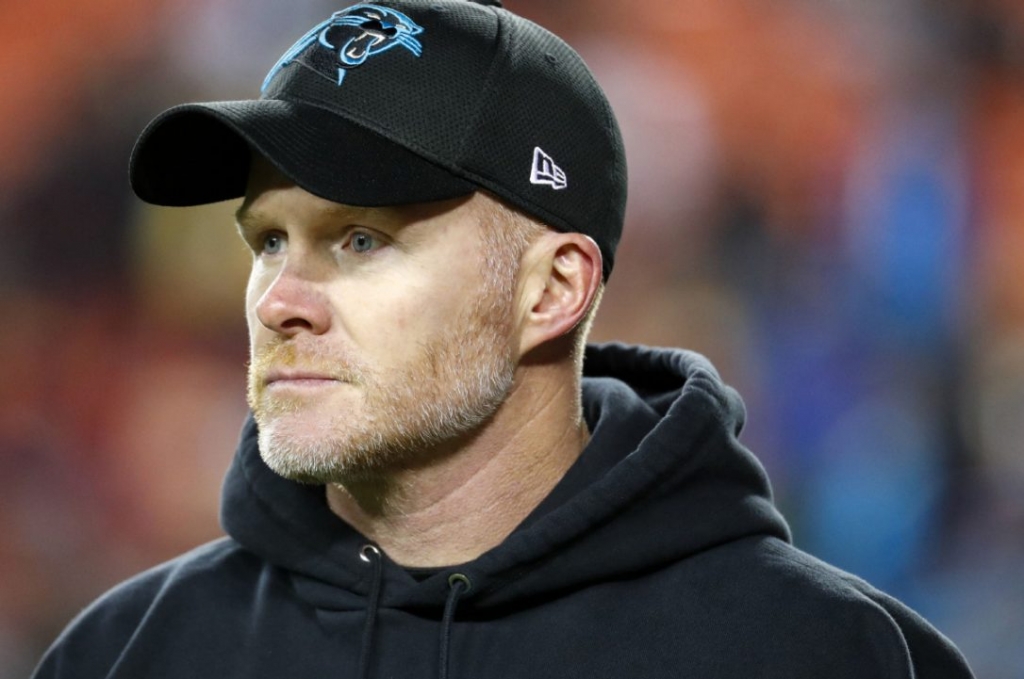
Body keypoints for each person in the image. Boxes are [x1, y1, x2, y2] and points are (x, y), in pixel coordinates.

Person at [33, 1, 975, 677]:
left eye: (360, 239)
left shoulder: (811, 651)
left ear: (553, 290)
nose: (281, 299)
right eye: (269, 239)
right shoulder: (127, 650)